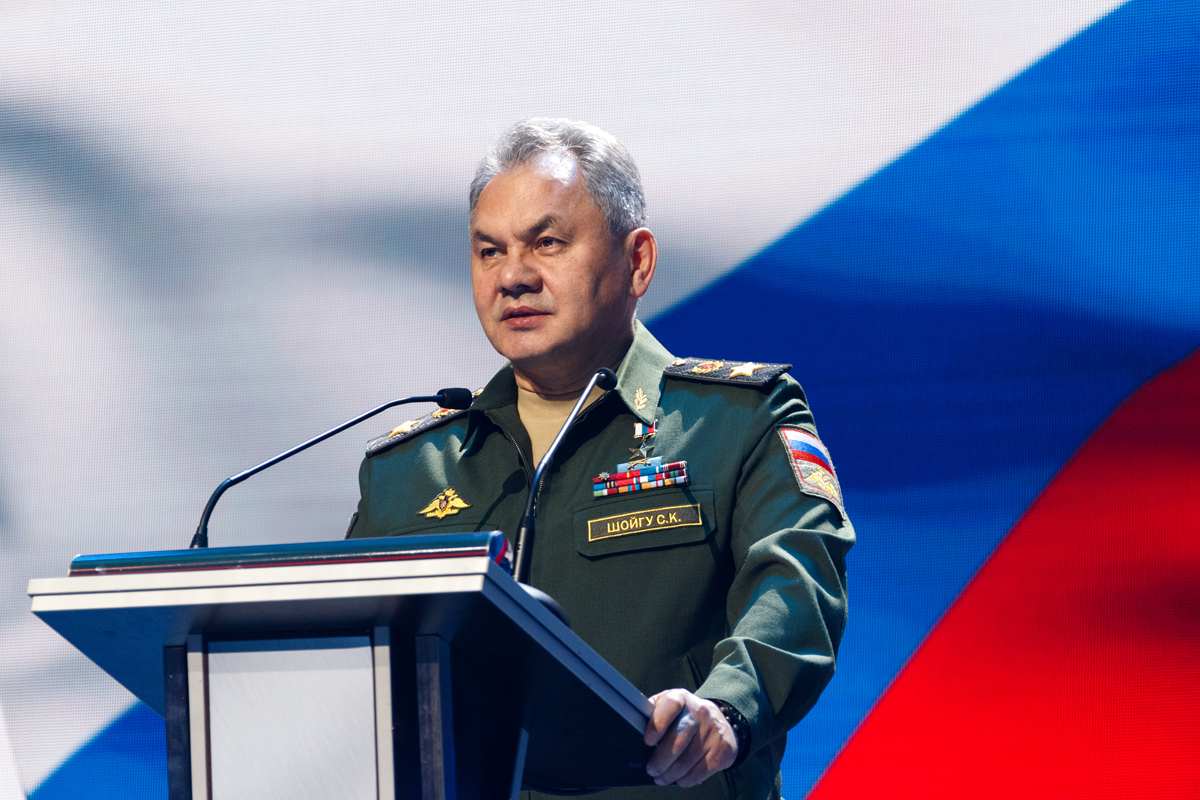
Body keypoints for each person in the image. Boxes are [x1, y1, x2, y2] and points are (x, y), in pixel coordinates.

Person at [348, 118, 853, 800]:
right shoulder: (409, 469)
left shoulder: (738, 421)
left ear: (637, 260)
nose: (513, 277)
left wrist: (727, 707)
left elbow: (797, 590)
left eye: (547, 243)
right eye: (489, 251)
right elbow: (350, 660)